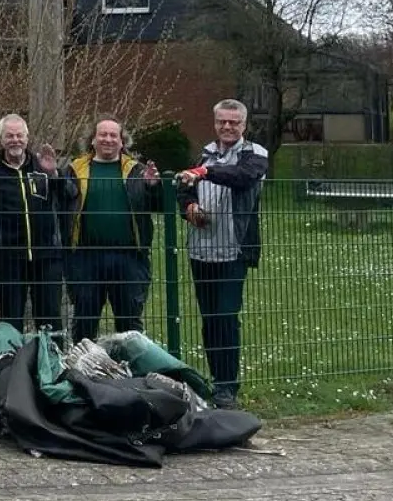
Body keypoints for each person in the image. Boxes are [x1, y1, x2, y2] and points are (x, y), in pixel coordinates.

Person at [176, 98, 268, 410]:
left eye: (234, 122)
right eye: (222, 122)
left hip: (233, 251)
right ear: (215, 123)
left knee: (226, 317)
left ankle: (228, 387)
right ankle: (216, 382)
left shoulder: (255, 154)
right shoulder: (203, 152)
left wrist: (203, 172)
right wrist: (189, 207)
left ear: (244, 125)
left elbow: (241, 177)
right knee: (210, 319)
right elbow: (183, 188)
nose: (227, 127)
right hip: (201, 250)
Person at [66, 115, 162, 342]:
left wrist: (153, 187)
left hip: (129, 258)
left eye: (113, 135)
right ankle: (82, 363)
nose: (108, 139)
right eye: (102, 134)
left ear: (122, 141)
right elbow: (61, 204)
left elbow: (158, 206)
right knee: (84, 321)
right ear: (92, 139)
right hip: (86, 258)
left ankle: (131, 363)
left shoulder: (137, 170)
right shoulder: (74, 169)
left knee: (130, 324)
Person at [0, 113, 74, 333]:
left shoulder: (43, 167)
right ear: (1, 140)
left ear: (27, 138)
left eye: (19, 135)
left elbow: (69, 195)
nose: (15, 140)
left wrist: (54, 174)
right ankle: (14, 356)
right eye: (9, 136)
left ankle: (52, 355)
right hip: (8, 258)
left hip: (47, 256)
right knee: (11, 318)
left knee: (50, 317)